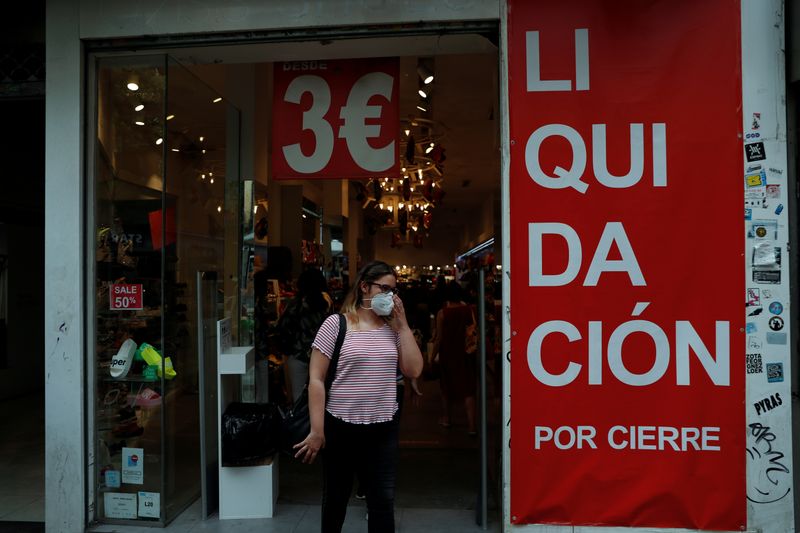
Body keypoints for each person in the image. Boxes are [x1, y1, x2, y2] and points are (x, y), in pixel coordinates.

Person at [294, 260, 423, 533]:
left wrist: (403, 325)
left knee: (382, 505)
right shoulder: (336, 324)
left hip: (383, 428)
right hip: (340, 427)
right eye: (384, 289)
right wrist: (318, 431)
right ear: (365, 286)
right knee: (335, 502)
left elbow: (414, 368)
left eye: (394, 291)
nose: (390, 296)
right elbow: (316, 379)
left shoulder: (394, 329)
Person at [276, 268, 333, 403]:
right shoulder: (326, 304)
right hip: (322, 355)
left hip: (298, 355)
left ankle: (301, 424)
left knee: (299, 397)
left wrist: (288, 349)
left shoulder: (295, 305)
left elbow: (282, 328)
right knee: (321, 396)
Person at [430, 281, 477, 434]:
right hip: (465, 354)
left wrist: (432, 356)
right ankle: (472, 427)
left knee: (446, 387)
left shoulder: (442, 313)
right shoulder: (468, 310)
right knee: (468, 389)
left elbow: (439, 338)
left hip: (448, 354)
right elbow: (473, 331)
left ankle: (447, 419)